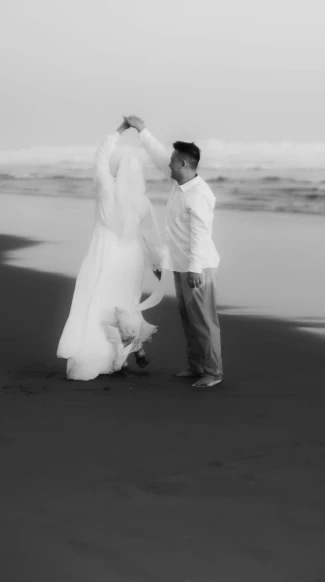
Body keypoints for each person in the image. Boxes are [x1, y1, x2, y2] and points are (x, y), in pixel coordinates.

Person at [57, 119, 164, 381]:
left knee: (96, 301)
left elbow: (99, 157)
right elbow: (149, 235)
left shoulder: (105, 188)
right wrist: (156, 265)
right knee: (126, 304)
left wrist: (120, 129)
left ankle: (99, 356)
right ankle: (123, 358)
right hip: (131, 255)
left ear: (115, 171)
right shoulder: (142, 202)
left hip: (103, 251)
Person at [124, 115, 223, 389]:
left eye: (172, 161)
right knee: (189, 321)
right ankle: (195, 366)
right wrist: (141, 131)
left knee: (203, 322)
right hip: (181, 265)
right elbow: (159, 157)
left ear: (183, 164)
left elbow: (200, 235)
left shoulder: (198, 194)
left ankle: (213, 372)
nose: (167, 163)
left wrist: (195, 268)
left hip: (197, 267)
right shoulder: (179, 185)